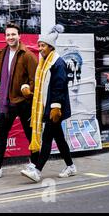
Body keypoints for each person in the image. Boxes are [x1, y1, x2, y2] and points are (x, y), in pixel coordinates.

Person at [0, 22, 38, 178]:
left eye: (13, 34)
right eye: (8, 35)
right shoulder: (2, 53)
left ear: (20, 36)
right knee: (2, 133)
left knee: (31, 134)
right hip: (7, 101)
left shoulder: (27, 55)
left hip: (23, 102)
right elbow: (1, 77)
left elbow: (35, 80)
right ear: (5, 37)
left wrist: (28, 95)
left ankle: (35, 166)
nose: (10, 37)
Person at [20, 24, 77, 183]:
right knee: (58, 138)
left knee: (47, 138)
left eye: (43, 45)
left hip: (54, 109)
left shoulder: (57, 63)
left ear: (51, 47)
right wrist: (30, 92)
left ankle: (37, 170)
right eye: (39, 45)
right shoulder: (44, 62)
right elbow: (42, 88)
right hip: (49, 107)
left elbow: (59, 86)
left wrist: (56, 107)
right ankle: (71, 166)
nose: (40, 48)